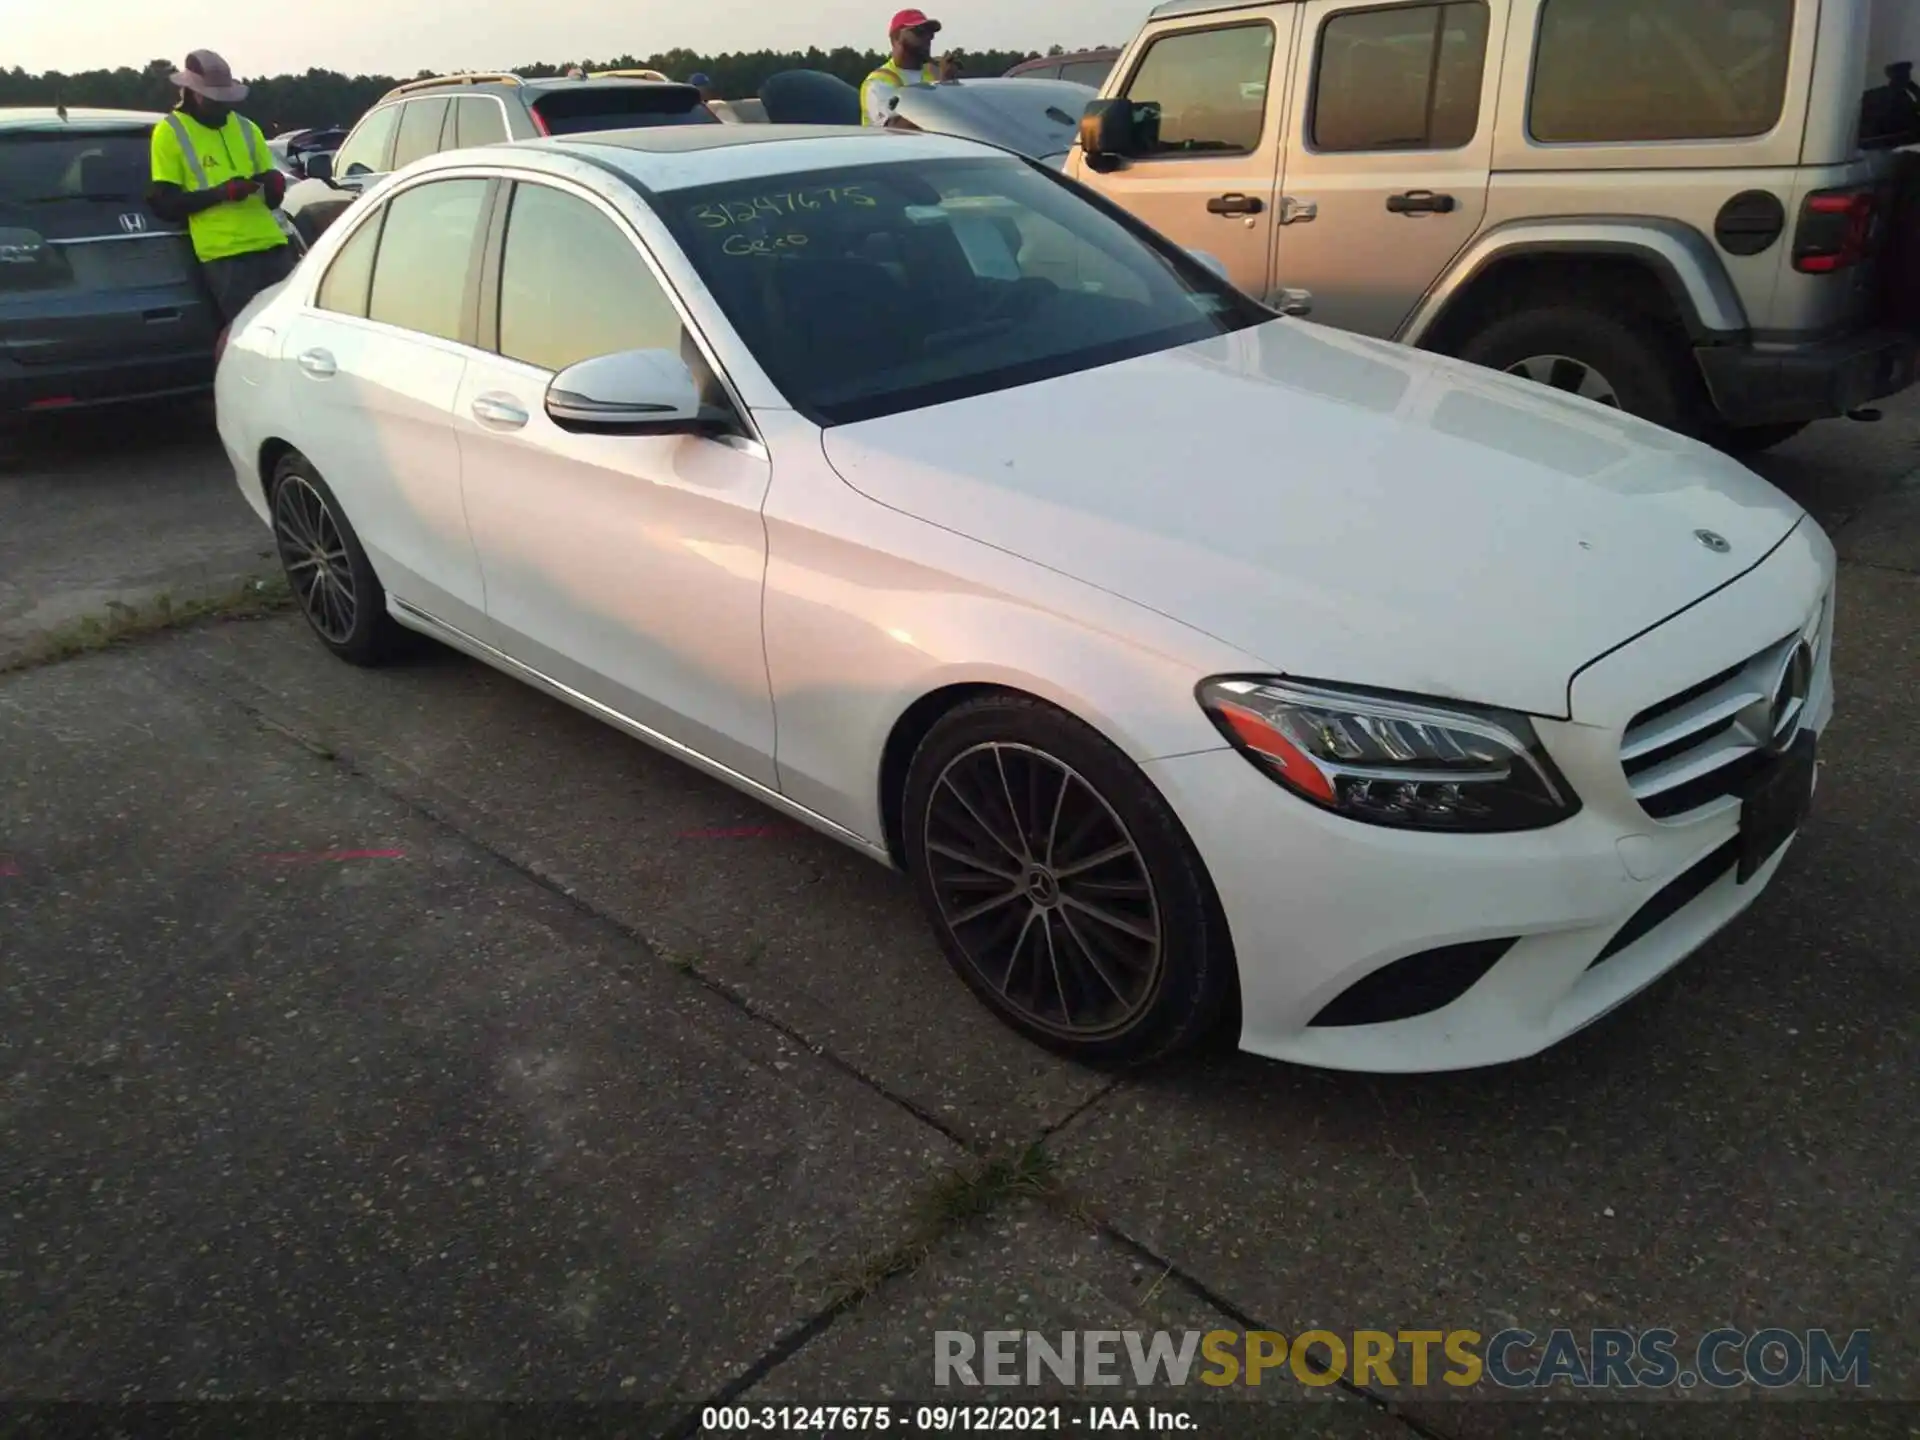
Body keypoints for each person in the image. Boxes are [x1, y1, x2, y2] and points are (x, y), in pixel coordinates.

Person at [146, 50, 294, 328]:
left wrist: (275, 183)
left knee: (291, 328)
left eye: (226, 99)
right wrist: (221, 194)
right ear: (191, 92)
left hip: (273, 244)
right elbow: (165, 204)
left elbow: (272, 200)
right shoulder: (170, 132)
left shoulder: (247, 128)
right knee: (249, 333)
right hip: (225, 255)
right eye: (214, 99)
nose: (222, 106)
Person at [861, 10, 956, 127]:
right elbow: (895, 128)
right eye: (919, 32)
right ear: (896, 37)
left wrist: (950, 85)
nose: (927, 39)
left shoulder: (934, 74)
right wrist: (943, 88)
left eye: (930, 34)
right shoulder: (878, 82)